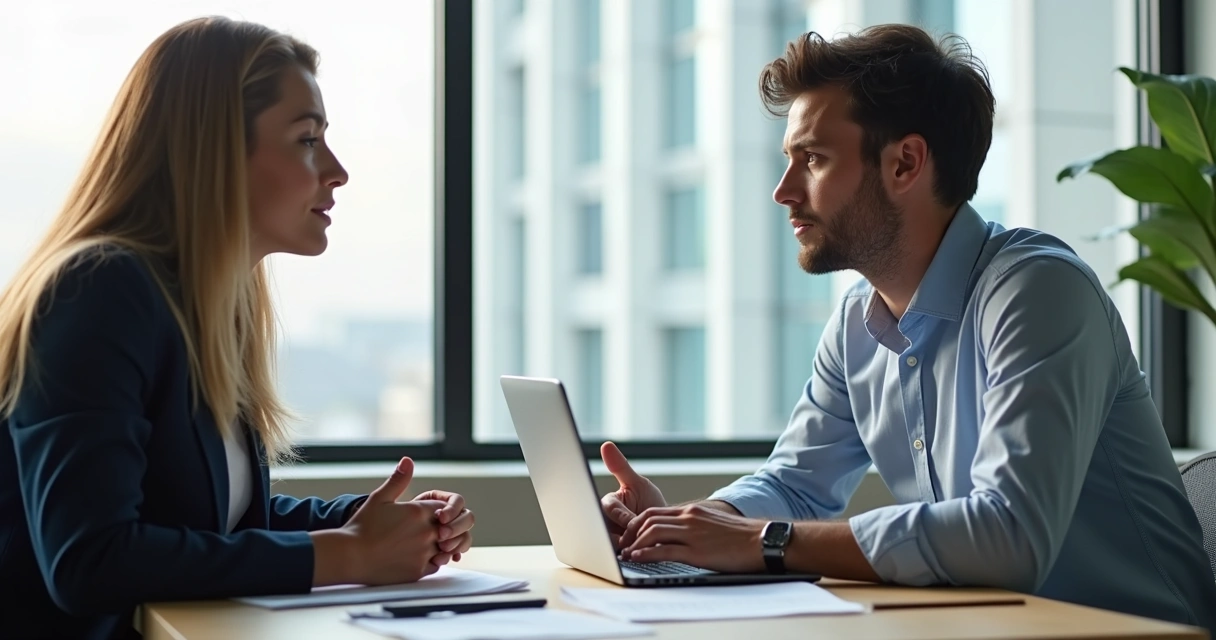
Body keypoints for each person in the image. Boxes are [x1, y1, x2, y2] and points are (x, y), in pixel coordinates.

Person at [599, 24, 1216, 633]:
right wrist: (688, 524)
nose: (782, 192)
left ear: (905, 163)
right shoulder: (855, 322)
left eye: (812, 158)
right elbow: (798, 482)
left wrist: (764, 541)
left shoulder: (1038, 292)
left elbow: (1009, 537)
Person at [0, 17, 473, 640]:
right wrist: (350, 554)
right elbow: (91, 559)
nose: (337, 171)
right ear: (216, 150)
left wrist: (366, 522)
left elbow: (204, 522)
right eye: (307, 140)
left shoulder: (212, 306)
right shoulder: (97, 291)